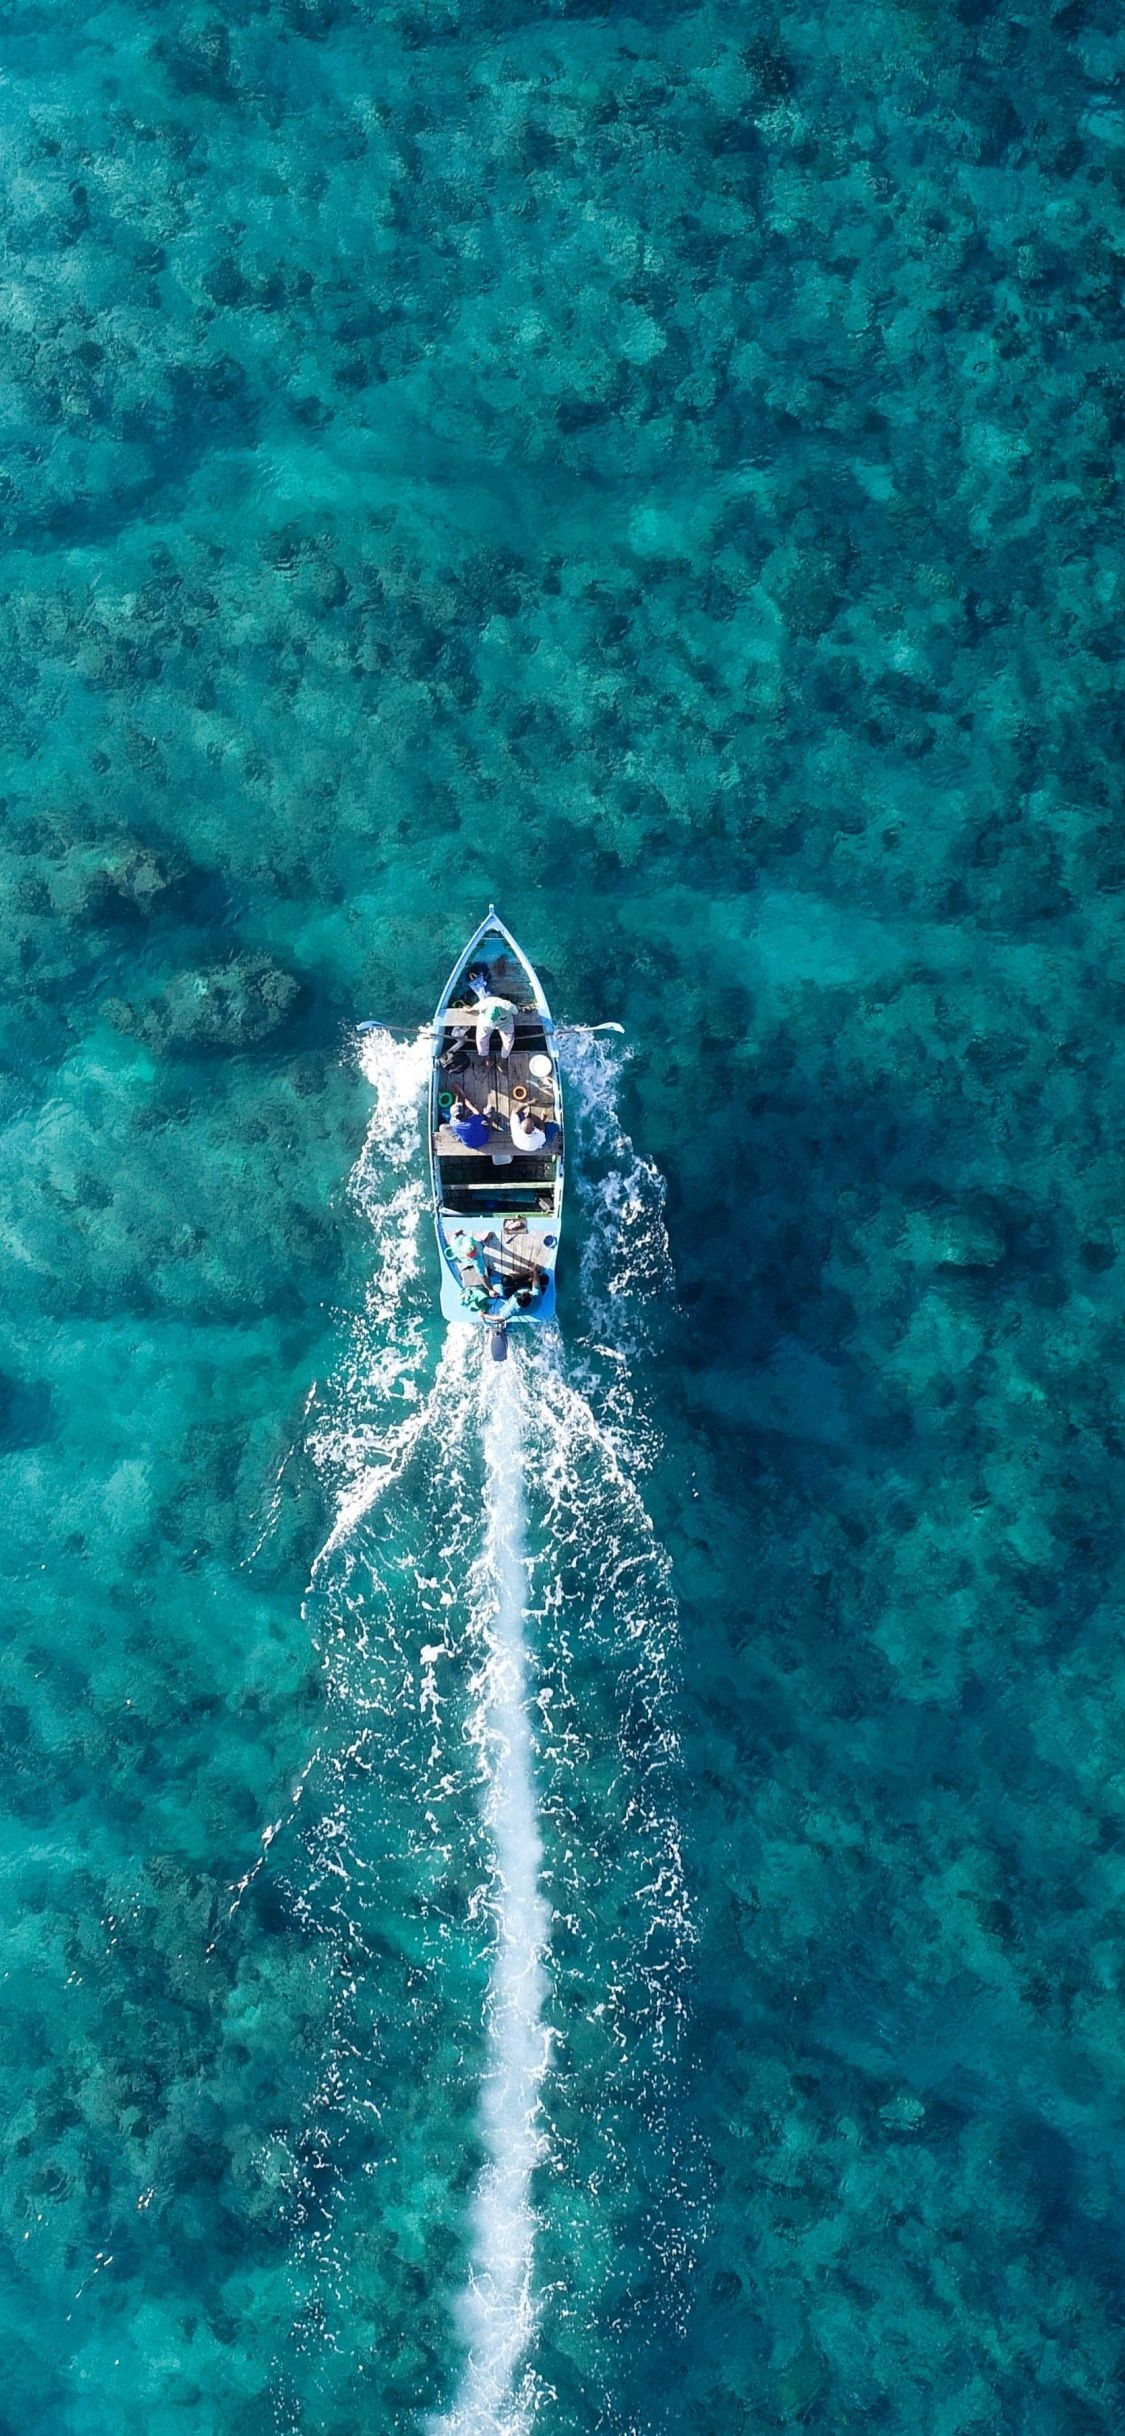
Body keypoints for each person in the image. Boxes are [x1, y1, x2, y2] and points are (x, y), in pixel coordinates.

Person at [468, 971, 517, 1058]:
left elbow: (516, 1010)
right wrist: (468, 1009)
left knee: (508, 1041)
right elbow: (472, 1009)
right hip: (488, 1024)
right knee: (481, 1040)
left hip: (504, 1022)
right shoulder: (484, 1004)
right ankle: (486, 1057)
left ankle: (503, 1059)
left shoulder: (508, 1006)